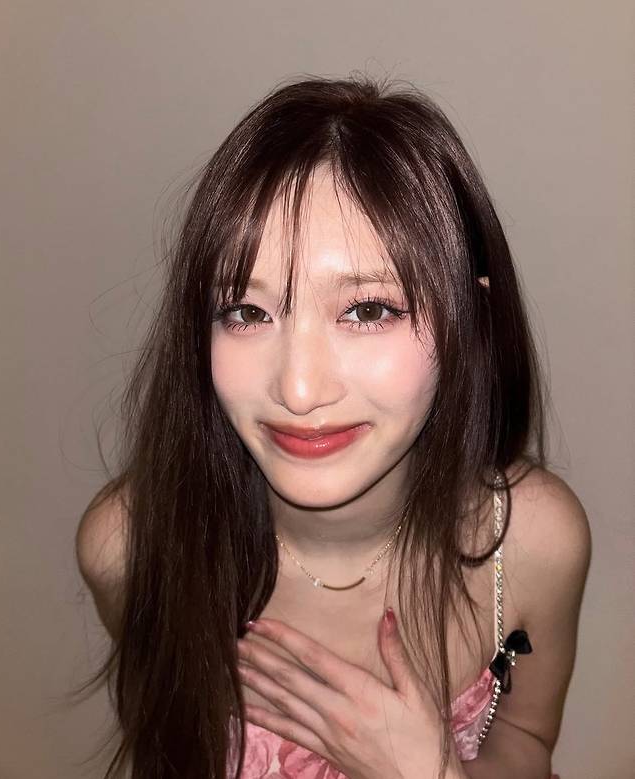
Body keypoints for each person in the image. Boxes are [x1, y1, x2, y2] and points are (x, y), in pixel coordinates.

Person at [74, 75, 590, 779]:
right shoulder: (129, 545)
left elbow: (526, 737)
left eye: (368, 310)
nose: (299, 389)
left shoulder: (532, 541)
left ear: (471, 324)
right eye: (247, 312)